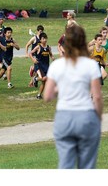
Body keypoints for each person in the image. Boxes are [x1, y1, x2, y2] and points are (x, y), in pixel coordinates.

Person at [43, 25, 103, 169]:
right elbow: (97, 97)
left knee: (65, 164)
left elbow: (47, 96)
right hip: (86, 116)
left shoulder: (57, 65)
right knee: (87, 165)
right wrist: (98, 117)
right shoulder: (90, 65)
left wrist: (61, 88)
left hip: (64, 117)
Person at [29, 32, 55, 99]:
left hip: (46, 66)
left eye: (46, 38)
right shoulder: (38, 47)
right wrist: (33, 59)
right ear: (40, 40)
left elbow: (51, 54)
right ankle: (35, 78)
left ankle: (39, 95)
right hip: (39, 65)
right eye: (43, 39)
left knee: (44, 82)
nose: (45, 40)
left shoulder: (48, 47)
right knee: (44, 78)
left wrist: (52, 58)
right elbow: (30, 53)